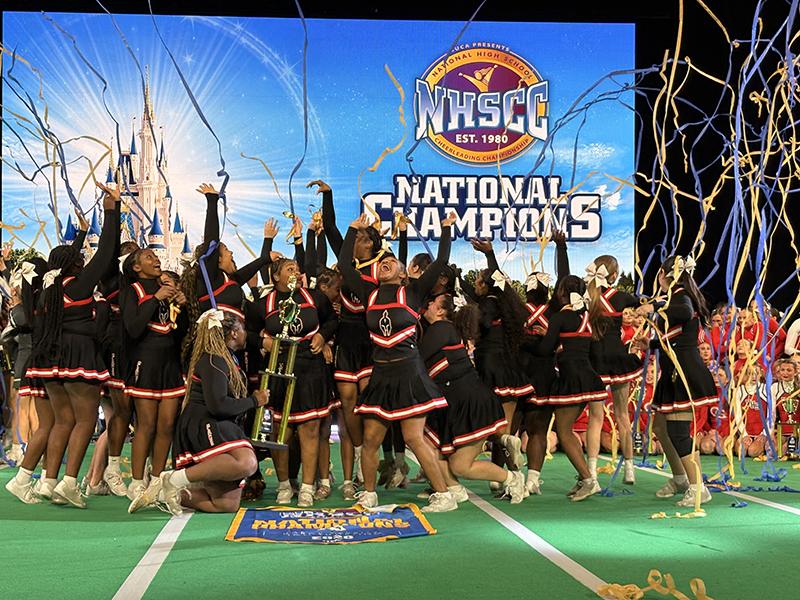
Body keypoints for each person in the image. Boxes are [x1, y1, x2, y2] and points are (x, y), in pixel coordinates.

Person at [338, 212, 458, 512]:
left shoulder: (413, 292)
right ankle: (368, 494)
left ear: (403, 272)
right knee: (369, 439)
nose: (384, 263)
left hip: (409, 372)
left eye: (391, 261)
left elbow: (441, 262)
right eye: (382, 262)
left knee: (413, 437)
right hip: (380, 375)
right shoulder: (369, 293)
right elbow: (343, 265)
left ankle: (443, 496)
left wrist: (445, 229)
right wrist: (352, 230)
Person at [25, 182, 118, 507]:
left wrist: (79, 234)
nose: (85, 259)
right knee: (85, 421)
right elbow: (107, 252)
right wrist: (111, 210)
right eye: (81, 257)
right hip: (78, 355)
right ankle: (68, 482)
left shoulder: (49, 288)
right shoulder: (78, 286)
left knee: (64, 421)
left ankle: (49, 482)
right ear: (76, 265)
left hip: (51, 359)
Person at [130, 312, 269, 515]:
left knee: (226, 505)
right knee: (246, 462)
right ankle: (172, 479)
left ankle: (164, 494)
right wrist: (254, 401)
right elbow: (218, 406)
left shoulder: (226, 358)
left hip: (217, 423)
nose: (245, 333)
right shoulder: (214, 360)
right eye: (242, 328)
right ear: (233, 333)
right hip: (204, 422)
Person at [312, 179, 385, 499]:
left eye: (359, 236)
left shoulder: (377, 270)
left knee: (368, 406)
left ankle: (367, 461)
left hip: (369, 344)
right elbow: (330, 229)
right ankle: (357, 456)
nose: (353, 239)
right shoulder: (349, 263)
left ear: (368, 244)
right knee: (347, 404)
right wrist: (328, 195)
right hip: (345, 341)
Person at [419, 294, 525, 503]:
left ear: (441, 311)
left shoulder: (441, 328)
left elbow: (417, 359)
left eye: (433, 302)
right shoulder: (446, 330)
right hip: (455, 401)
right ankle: (455, 490)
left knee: (461, 465)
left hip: (468, 401)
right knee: (429, 445)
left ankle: (512, 479)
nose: (428, 304)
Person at [633, 256, 718, 507]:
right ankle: (681, 478)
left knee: (680, 433)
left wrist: (654, 306)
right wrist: (652, 344)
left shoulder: (679, 294)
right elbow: (677, 335)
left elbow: (685, 312)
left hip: (684, 372)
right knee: (660, 427)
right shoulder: (676, 296)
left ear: (663, 273)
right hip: (673, 370)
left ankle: (698, 488)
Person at [256, 257, 339, 507]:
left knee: (310, 429)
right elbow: (246, 331)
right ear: (276, 277)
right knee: (277, 432)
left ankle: (306, 487)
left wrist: (323, 336)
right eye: (290, 269)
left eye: (298, 269)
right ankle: (283, 486)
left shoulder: (314, 297)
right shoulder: (263, 304)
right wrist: (263, 342)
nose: (297, 272)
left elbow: (332, 321)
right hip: (277, 371)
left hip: (310, 369)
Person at [120, 249, 188, 503]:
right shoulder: (132, 291)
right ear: (136, 267)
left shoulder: (167, 289)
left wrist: (183, 308)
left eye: (155, 256)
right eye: (148, 257)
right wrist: (155, 298)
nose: (155, 259)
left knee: (167, 425)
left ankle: (158, 480)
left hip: (170, 363)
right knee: (145, 426)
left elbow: (178, 333)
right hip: (145, 361)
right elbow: (133, 328)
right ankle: (137, 483)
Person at [532, 275, 607, 501]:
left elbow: (545, 350)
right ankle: (585, 477)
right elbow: (571, 342)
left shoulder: (560, 316)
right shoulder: (585, 316)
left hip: (571, 378)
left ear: (561, 292)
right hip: (588, 377)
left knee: (564, 432)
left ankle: (588, 479)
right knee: (568, 430)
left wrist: (527, 344)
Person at [584, 255, 642, 485]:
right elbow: (645, 303)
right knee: (622, 417)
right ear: (615, 275)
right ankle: (629, 470)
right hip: (618, 359)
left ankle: (591, 473)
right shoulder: (621, 298)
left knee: (595, 419)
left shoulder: (588, 297)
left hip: (595, 360)